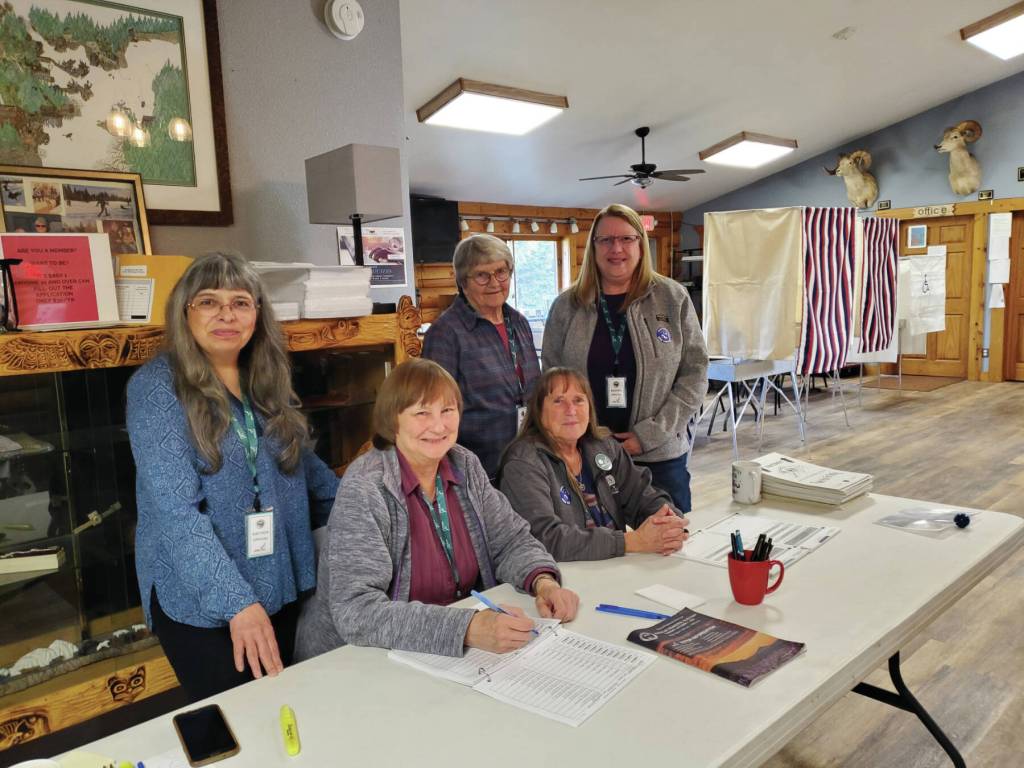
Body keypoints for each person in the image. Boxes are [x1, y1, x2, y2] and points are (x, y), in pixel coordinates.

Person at [126, 252, 339, 701]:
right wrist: (237, 602)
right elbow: (176, 514)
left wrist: (373, 506)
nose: (226, 314)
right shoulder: (157, 389)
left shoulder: (263, 376)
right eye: (209, 301)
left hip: (280, 581)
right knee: (240, 720)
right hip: (201, 601)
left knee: (288, 710)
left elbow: (304, 469)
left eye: (240, 302)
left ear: (257, 314)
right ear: (184, 311)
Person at [295, 358, 579, 661]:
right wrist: (466, 628)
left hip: (439, 656)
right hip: (350, 662)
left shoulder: (465, 465)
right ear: (392, 420)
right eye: (422, 413)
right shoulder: (366, 486)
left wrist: (543, 583)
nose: (438, 426)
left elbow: (511, 540)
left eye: (447, 410)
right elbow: (357, 611)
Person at [543, 204, 708, 512]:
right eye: (606, 240)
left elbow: (695, 373)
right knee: (595, 539)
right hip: (585, 456)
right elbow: (550, 380)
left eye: (626, 239)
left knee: (668, 536)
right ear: (593, 247)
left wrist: (651, 434)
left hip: (659, 457)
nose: (616, 249)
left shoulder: (672, 298)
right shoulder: (567, 306)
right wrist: (576, 437)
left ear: (640, 245)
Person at [500, 367, 688, 561]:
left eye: (578, 400)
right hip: (562, 574)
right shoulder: (523, 464)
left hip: (614, 566)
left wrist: (668, 521)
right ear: (538, 411)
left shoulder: (605, 447)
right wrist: (630, 542)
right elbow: (545, 538)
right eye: (558, 401)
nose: (571, 410)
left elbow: (642, 495)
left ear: (589, 408)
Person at [422, 234, 540, 480]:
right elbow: (434, 411)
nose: (494, 282)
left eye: (501, 272)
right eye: (482, 275)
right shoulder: (445, 333)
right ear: (463, 281)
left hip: (529, 462)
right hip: (476, 472)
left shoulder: (519, 323)